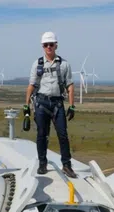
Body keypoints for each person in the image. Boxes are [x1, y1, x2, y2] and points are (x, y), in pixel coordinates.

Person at [24, 31, 77, 178]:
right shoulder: (37, 64)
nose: (49, 47)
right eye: (46, 44)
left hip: (57, 103)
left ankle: (66, 165)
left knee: (63, 134)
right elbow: (32, 85)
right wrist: (26, 105)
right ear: (42, 46)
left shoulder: (64, 64)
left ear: (56, 45)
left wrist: (72, 106)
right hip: (41, 103)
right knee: (42, 135)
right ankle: (42, 164)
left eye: (51, 44)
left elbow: (70, 86)